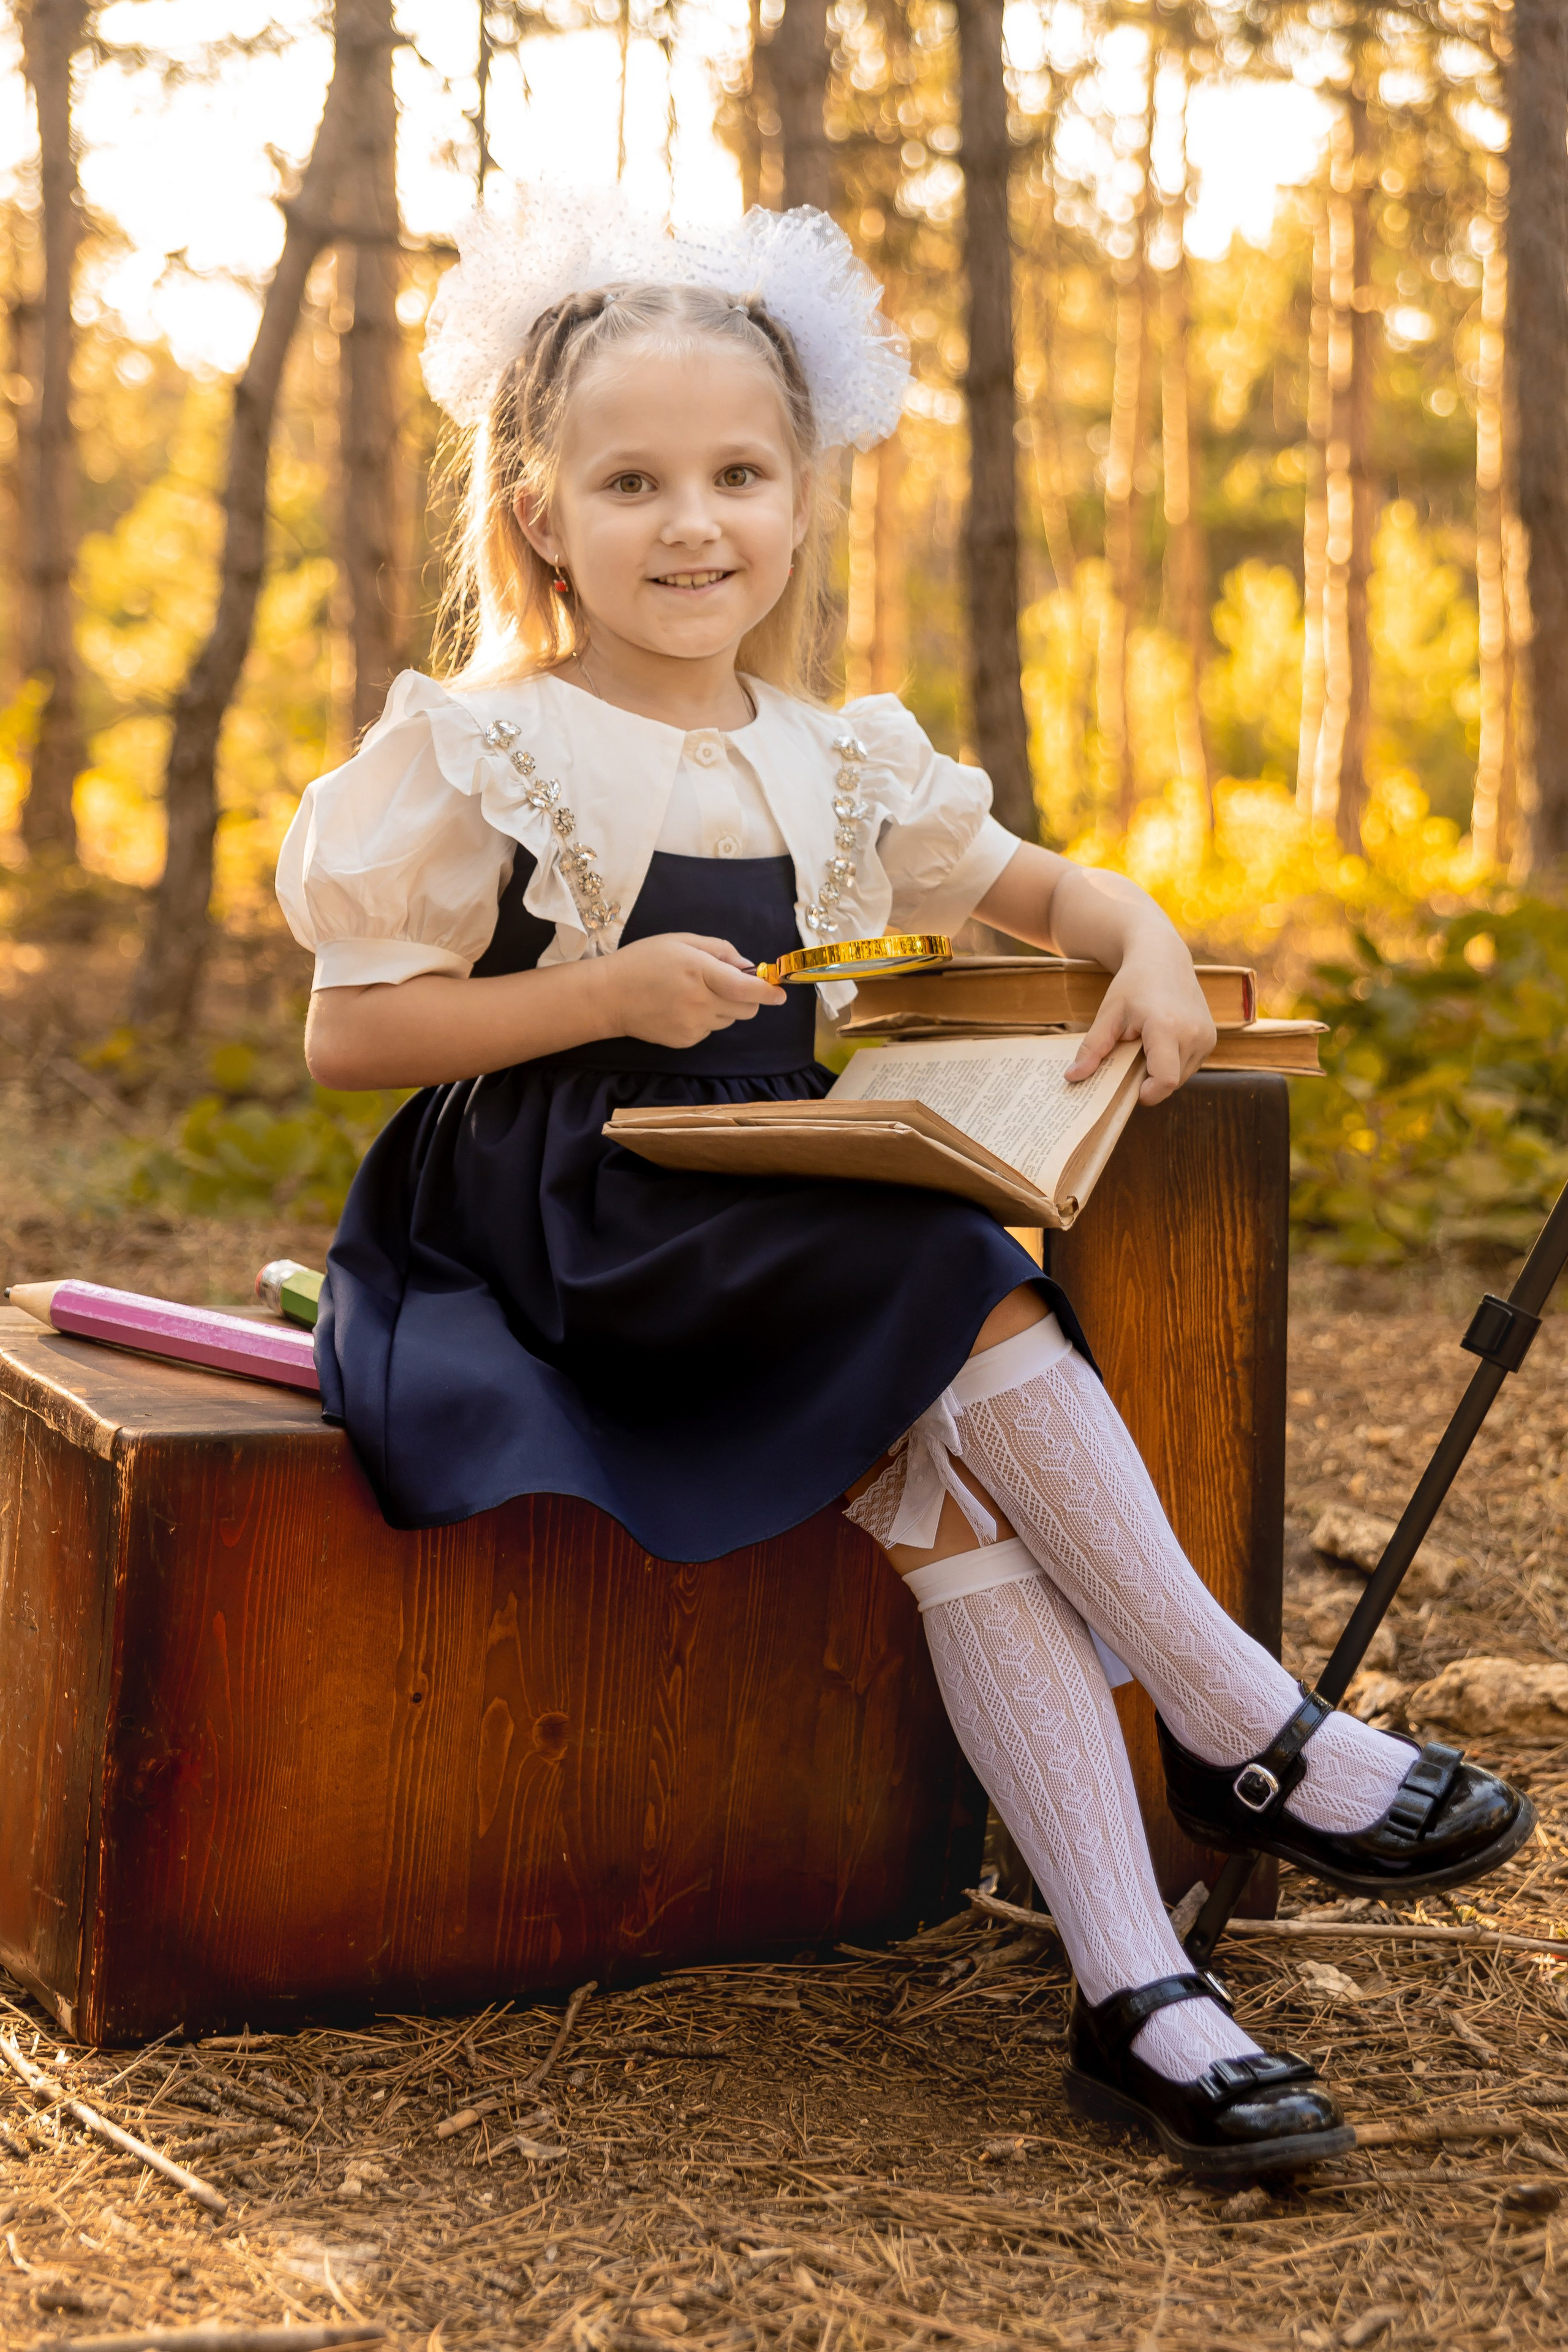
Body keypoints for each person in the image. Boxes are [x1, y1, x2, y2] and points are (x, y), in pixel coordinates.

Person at [277, 189, 1531, 2179]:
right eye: (634, 482)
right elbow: (357, 1036)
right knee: (958, 1266)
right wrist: (596, 991)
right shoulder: (487, 746)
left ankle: (1139, 1998)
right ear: (537, 514)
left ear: (802, 496)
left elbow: (1041, 882)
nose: (695, 525)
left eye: (739, 475)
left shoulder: (836, 756)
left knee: (958, 1486)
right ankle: (1246, 1722)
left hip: (782, 1192)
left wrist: (1132, 939)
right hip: (563, 1209)